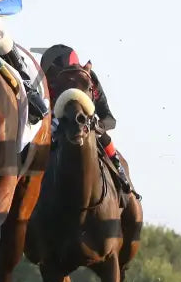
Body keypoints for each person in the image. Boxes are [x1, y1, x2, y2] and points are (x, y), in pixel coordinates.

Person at [41, 44, 136, 196]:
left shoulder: (90, 80)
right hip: (58, 123)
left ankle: (121, 176)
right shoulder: (46, 82)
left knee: (103, 137)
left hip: (87, 124)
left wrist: (97, 126)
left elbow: (109, 118)